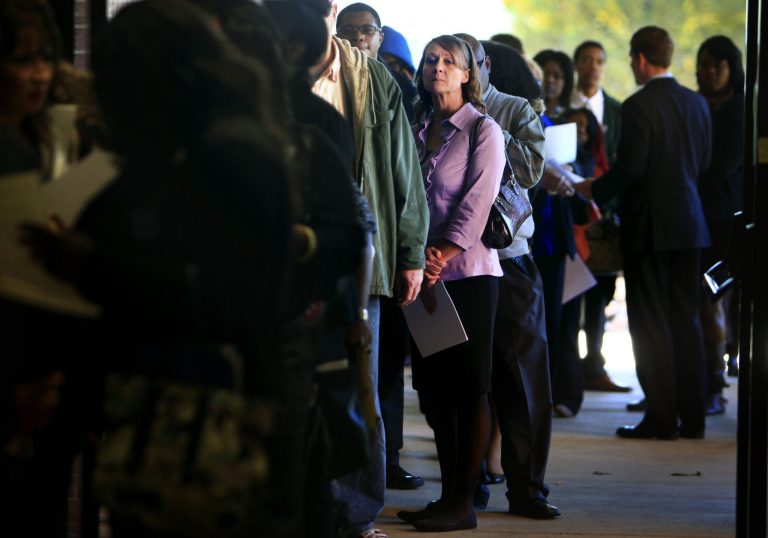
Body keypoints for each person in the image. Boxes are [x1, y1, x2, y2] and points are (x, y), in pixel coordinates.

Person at [311, 2, 429, 537]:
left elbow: (404, 171)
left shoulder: (372, 78)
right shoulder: (270, 73)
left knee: (360, 386)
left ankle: (355, 516)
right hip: (290, 257)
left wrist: (409, 254)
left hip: (363, 256)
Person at [574, 26, 711, 440]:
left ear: (640, 59)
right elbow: (702, 163)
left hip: (650, 227)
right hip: (690, 224)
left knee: (651, 325)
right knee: (687, 320)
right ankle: (694, 417)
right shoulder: (697, 103)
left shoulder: (638, 106)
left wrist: (591, 189)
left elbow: (631, 169)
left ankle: (661, 417)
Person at [396, 34, 504, 532]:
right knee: (435, 391)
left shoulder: (483, 130)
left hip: (468, 275)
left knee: (469, 388)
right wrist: (415, 256)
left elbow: (478, 201)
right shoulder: (417, 127)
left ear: (467, 74)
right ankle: (446, 498)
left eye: (448, 62)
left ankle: (465, 501)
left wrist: (441, 253)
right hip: (423, 277)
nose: (436, 67)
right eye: (430, 60)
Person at [463, 35, 560, 519]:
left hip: (509, 260)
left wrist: (479, 124)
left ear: (484, 66)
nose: (452, 71)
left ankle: (527, 490)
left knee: (522, 380)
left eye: (466, 63)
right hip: (451, 268)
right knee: (461, 382)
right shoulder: (426, 112)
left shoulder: (514, 109)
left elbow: (530, 171)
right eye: (437, 62)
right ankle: (465, 485)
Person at [569, 40, 630, 394]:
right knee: (570, 294)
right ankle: (571, 367)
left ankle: (594, 363)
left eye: (600, 60)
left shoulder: (618, 112)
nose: (593, 66)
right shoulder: (563, 108)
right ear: (577, 64)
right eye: (587, 59)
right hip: (573, 214)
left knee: (599, 295)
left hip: (605, 220)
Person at [531, 49, 588, 419]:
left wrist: (570, 172)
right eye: (544, 74)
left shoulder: (568, 125)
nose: (550, 80)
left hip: (557, 235)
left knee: (559, 322)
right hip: (529, 236)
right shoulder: (525, 121)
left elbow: (587, 175)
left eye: (557, 74)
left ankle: (554, 395)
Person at [695, 35, 744, 416]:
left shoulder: (741, 109)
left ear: (732, 68)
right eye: (704, 64)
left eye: (718, 65)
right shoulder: (695, 104)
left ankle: (714, 384)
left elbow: (724, 164)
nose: (709, 72)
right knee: (692, 301)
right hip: (693, 215)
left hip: (725, 216)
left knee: (712, 298)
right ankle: (691, 381)